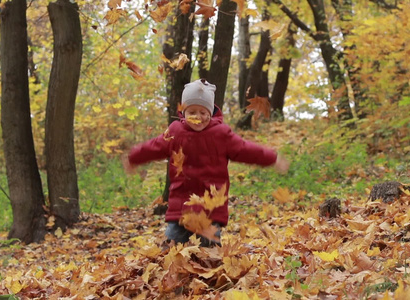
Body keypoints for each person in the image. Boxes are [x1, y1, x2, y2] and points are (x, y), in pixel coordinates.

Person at [123, 79, 289, 247]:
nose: (198, 117)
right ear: (183, 112)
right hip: (181, 209)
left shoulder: (221, 134)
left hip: (211, 210)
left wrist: (272, 158)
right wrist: (133, 157)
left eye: (203, 112)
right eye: (192, 112)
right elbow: (153, 147)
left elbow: (246, 150)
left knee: (209, 254)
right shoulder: (175, 132)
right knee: (171, 251)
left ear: (211, 113)